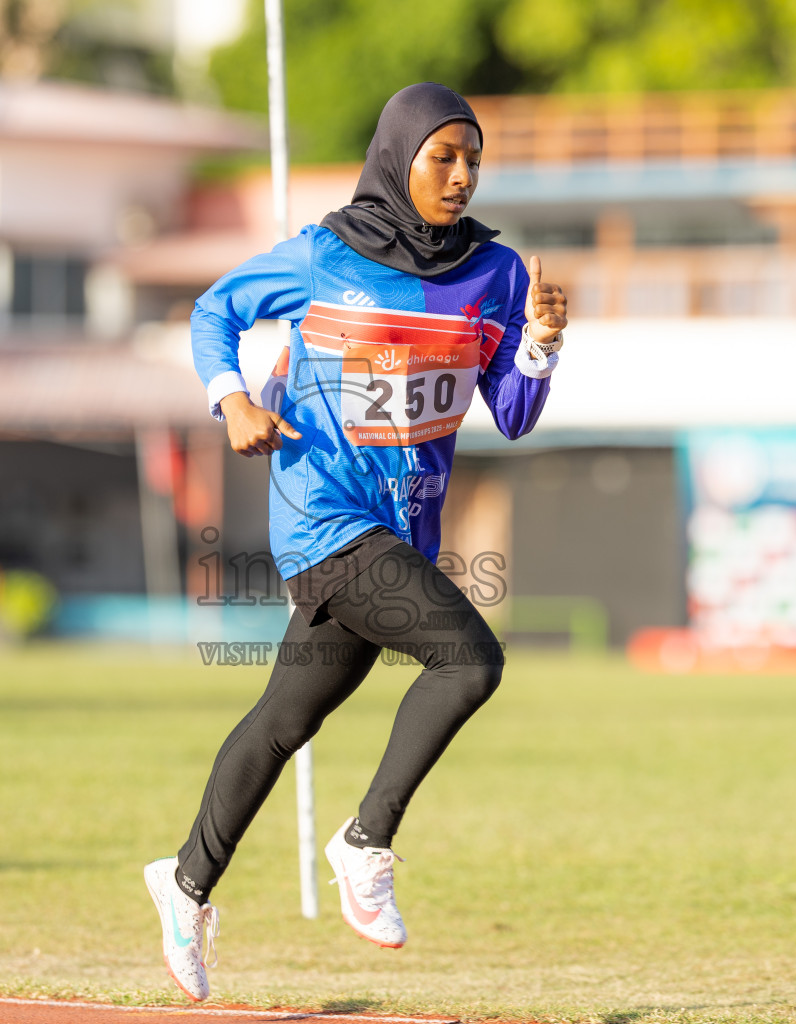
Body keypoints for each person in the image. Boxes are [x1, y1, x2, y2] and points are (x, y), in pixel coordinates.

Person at [143, 82, 568, 1002]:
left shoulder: (493, 273)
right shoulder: (323, 255)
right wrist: (233, 400)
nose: (461, 176)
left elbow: (518, 414)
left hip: (404, 526)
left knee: (283, 722)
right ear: (397, 157)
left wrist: (539, 341)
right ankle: (365, 842)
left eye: (473, 161)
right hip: (325, 514)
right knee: (469, 662)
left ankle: (182, 885)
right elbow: (213, 309)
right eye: (443, 157)